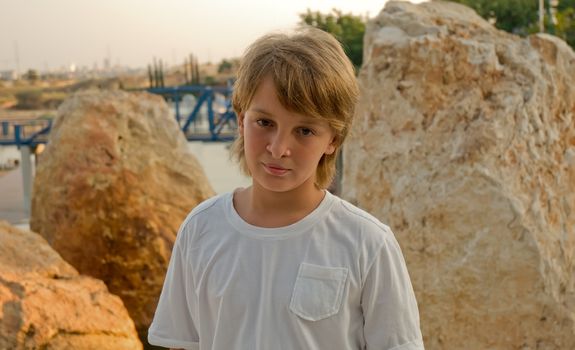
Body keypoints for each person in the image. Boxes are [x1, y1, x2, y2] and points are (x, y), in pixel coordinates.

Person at [148, 27, 424, 350]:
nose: (279, 148)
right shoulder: (201, 229)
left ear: (333, 139)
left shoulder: (368, 244)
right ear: (240, 119)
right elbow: (181, 343)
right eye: (264, 123)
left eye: (304, 130)